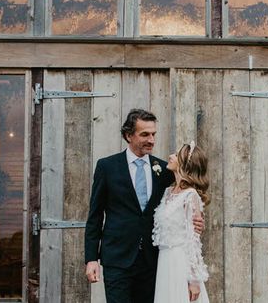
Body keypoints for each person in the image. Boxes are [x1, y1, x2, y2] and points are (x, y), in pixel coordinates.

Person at [85, 109, 203, 303]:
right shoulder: (107, 167)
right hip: (118, 260)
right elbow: (95, 216)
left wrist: (197, 222)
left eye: (153, 134)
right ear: (128, 135)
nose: (151, 140)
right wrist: (91, 259)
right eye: (144, 134)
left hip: (153, 262)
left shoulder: (164, 170)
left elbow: (183, 202)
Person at [152, 142, 209, 303]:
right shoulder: (168, 192)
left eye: (176, 155)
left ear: (185, 164)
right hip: (164, 261)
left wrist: (194, 280)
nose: (170, 156)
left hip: (180, 262)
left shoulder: (191, 196)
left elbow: (193, 242)